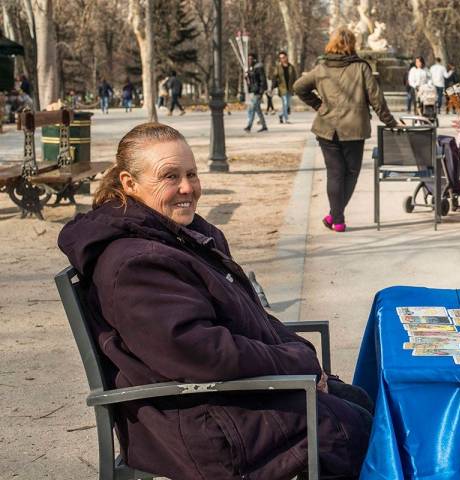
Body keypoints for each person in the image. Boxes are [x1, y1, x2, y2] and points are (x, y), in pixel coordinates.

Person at [57, 122, 374, 480]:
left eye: (191, 173)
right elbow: (200, 352)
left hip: (222, 398)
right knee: (350, 428)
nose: (187, 188)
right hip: (198, 425)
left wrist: (301, 355)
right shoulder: (135, 263)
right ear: (130, 184)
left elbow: (247, 316)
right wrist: (295, 361)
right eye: (170, 176)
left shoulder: (175, 236)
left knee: (358, 401)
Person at [294, 27, 397, 232]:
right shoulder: (361, 67)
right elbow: (376, 98)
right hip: (354, 129)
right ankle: (337, 218)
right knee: (350, 173)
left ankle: (335, 216)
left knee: (335, 174)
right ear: (352, 44)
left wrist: (319, 105)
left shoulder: (321, 68)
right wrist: (391, 122)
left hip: (326, 128)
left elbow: (298, 87)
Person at [244, 53, 268, 133]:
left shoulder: (258, 67)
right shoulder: (252, 68)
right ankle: (264, 126)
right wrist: (247, 76)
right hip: (254, 91)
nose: (249, 61)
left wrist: (261, 91)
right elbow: (251, 81)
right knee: (258, 110)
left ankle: (249, 126)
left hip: (258, 91)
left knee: (252, 108)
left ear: (254, 59)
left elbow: (262, 80)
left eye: (250, 59)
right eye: (248, 59)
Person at [273, 51, 298, 124]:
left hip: (290, 88)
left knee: (287, 104)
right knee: (285, 102)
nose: (282, 59)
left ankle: (281, 115)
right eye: (280, 58)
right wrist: (273, 87)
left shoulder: (291, 67)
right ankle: (286, 119)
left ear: (286, 57)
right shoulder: (278, 67)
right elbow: (274, 77)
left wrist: (296, 87)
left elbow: (295, 78)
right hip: (282, 88)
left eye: (283, 57)